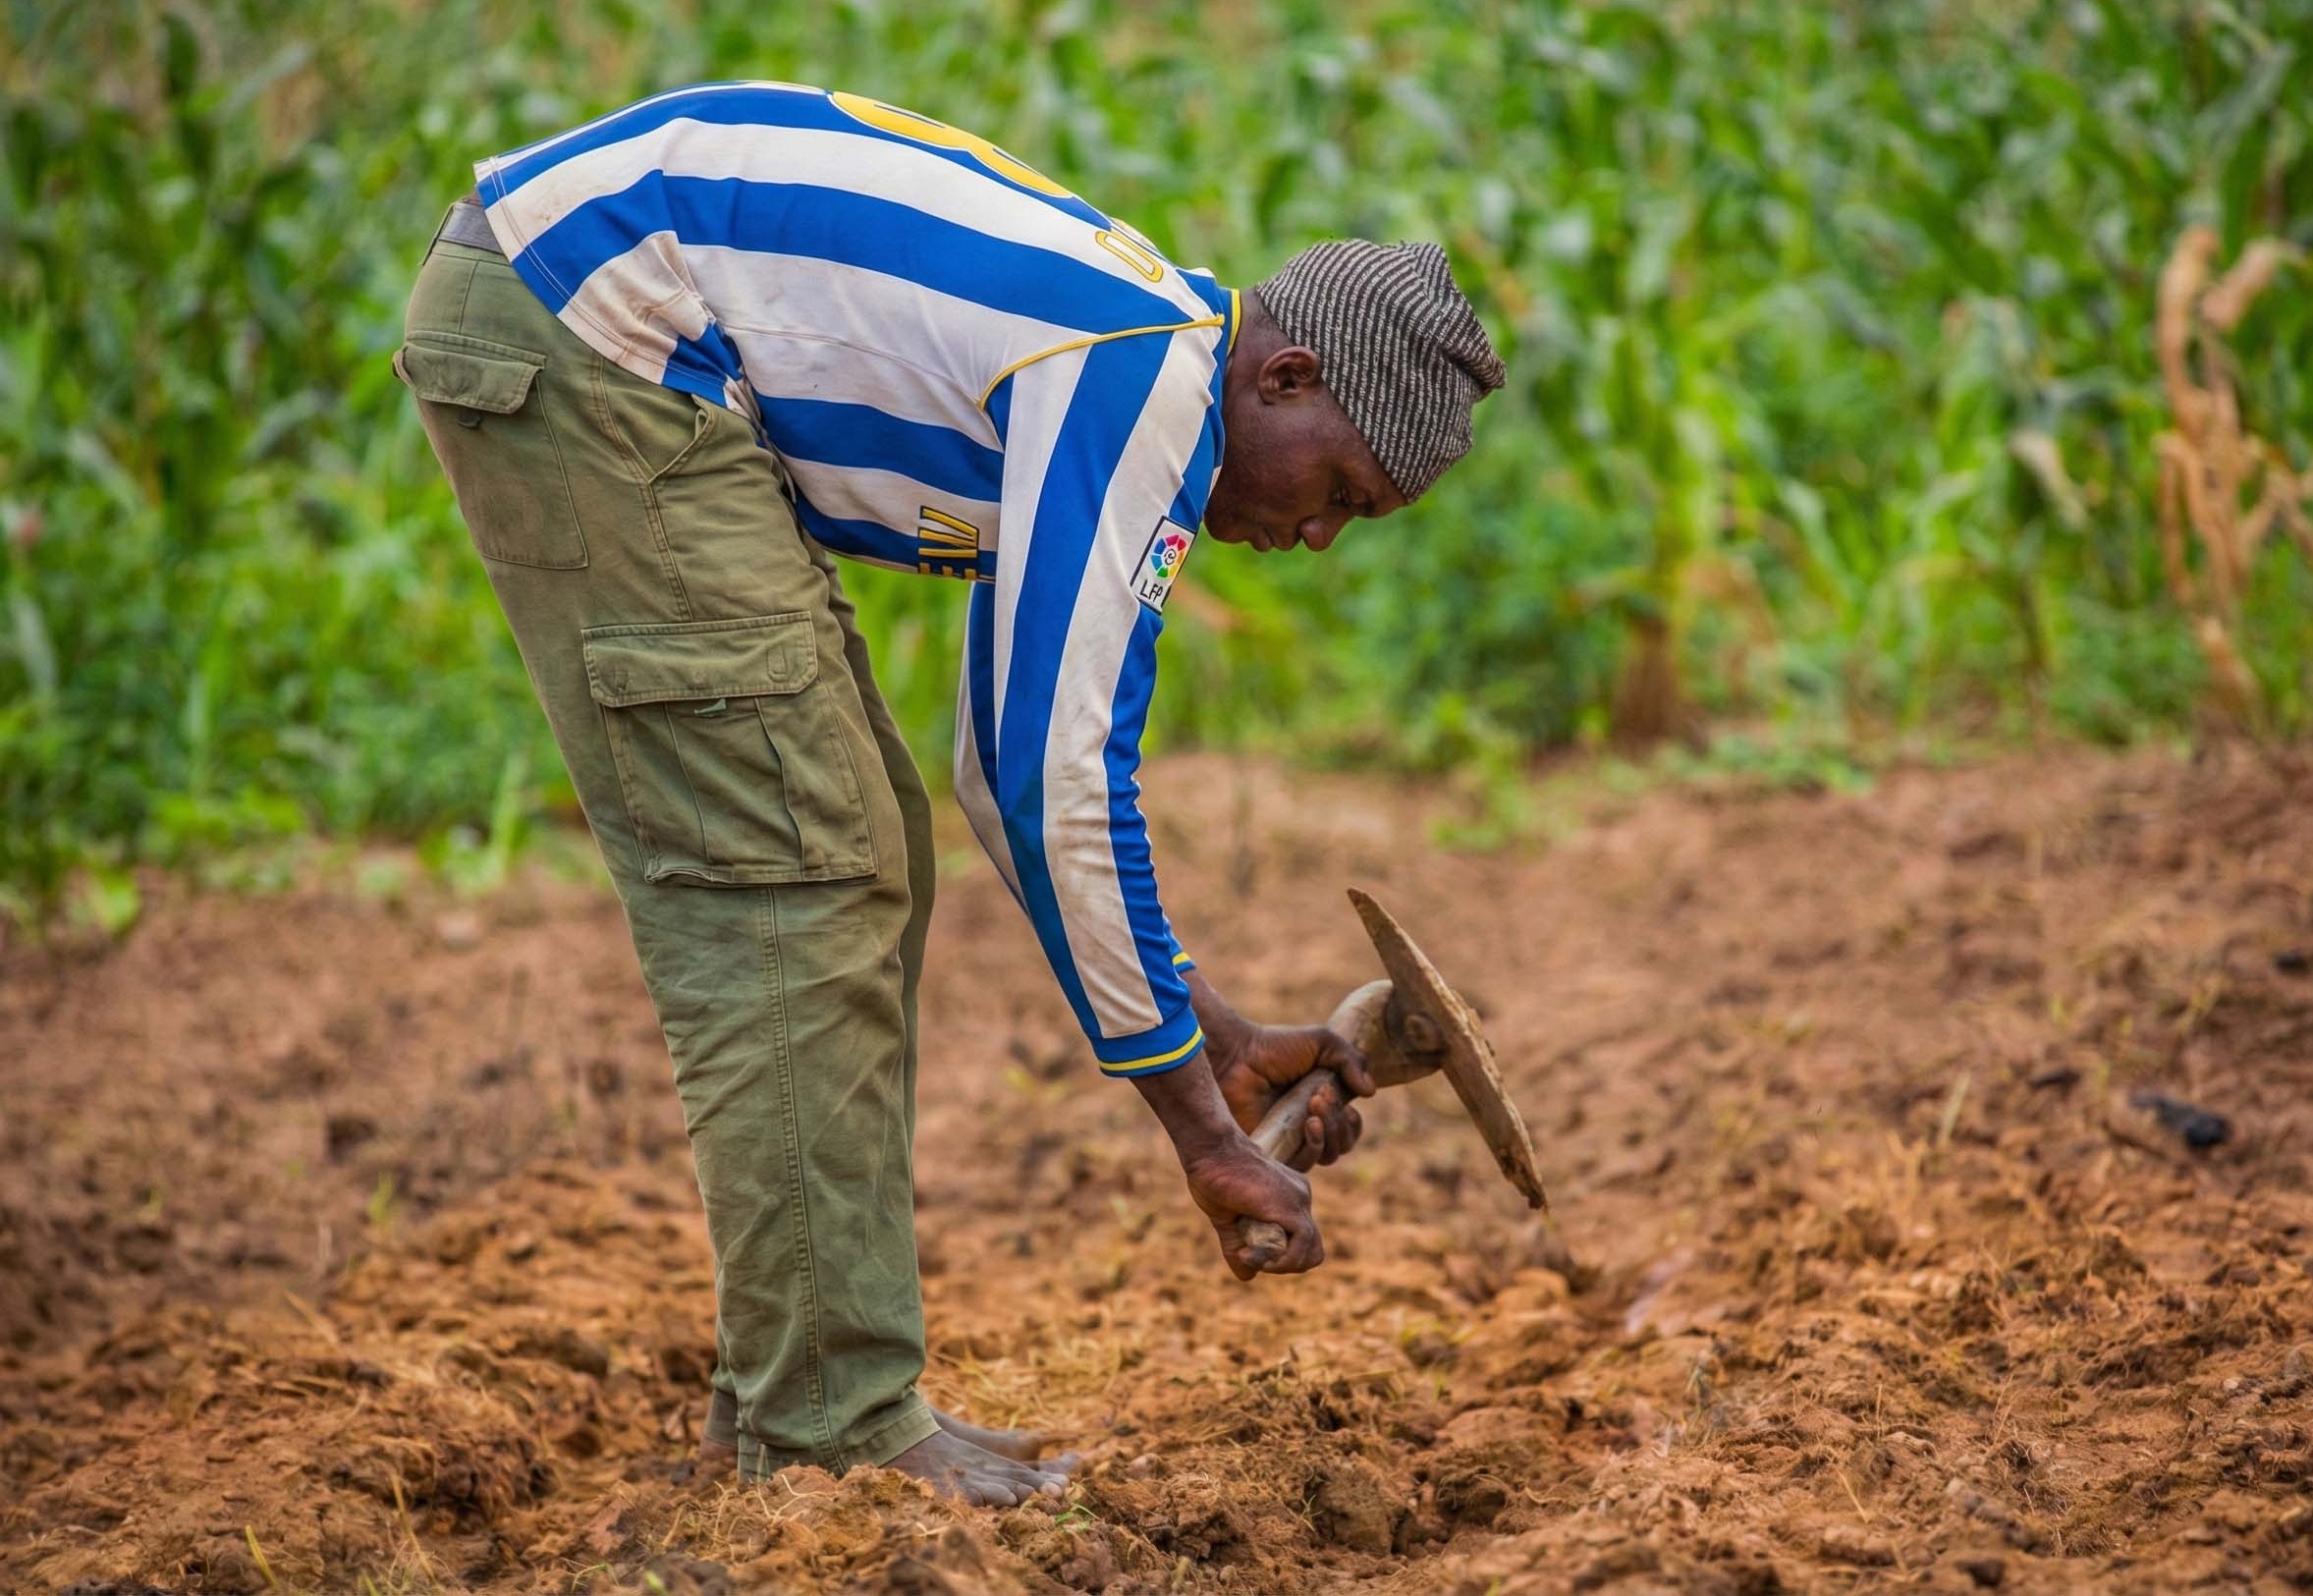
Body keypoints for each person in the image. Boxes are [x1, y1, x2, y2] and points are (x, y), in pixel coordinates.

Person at [395, 82, 1506, 1505]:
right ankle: (829, 1426)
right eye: (1340, 489)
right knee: (801, 867)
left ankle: (798, 1404)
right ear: (1282, 379)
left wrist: (1213, 1037)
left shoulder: (1136, 367)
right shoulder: (1137, 380)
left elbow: (999, 761)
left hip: (587, 307)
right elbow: (1058, 779)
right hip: (589, 319)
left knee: (857, 846)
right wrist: (1205, 1139)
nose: (1319, 537)